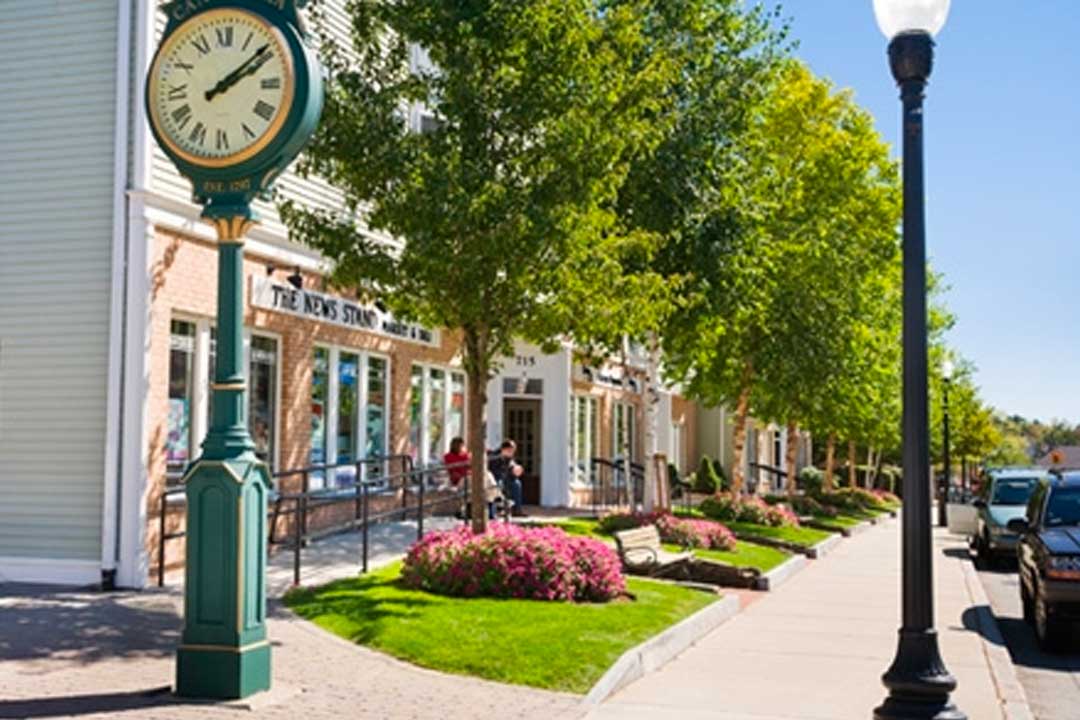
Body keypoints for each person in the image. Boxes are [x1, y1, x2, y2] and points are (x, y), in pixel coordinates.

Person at [488, 439, 526, 517]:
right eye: (511, 450)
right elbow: (493, 471)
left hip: (506, 478)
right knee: (498, 484)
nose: (512, 453)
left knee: (517, 484)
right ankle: (495, 511)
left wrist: (515, 471)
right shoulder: (494, 456)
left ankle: (517, 509)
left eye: (513, 451)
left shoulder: (509, 457)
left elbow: (511, 467)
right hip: (494, 478)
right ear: (504, 449)